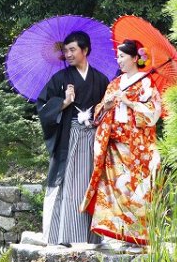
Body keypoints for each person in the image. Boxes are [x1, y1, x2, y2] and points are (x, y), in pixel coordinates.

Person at [81, 38, 163, 249]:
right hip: (114, 146)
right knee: (114, 190)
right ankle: (118, 234)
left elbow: (154, 113)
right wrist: (106, 106)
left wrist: (130, 102)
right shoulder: (115, 83)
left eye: (123, 56)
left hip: (136, 148)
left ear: (135, 58)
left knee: (136, 191)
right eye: (118, 56)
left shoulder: (146, 83)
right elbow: (99, 113)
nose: (119, 60)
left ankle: (138, 236)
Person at [35, 30, 109, 245]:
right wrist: (64, 102)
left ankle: (92, 238)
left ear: (85, 50)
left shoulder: (101, 79)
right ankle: (64, 236)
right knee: (69, 185)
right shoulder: (60, 78)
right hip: (70, 137)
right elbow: (43, 107)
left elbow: (106, 112)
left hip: (94, 138)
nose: (68, 54)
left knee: (91, 184)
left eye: (72, 50)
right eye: (66, 51)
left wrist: (104, 110)